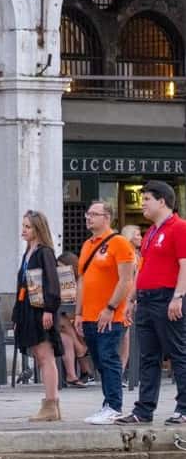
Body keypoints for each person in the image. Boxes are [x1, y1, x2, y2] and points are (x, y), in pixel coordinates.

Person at [117, 181, 186, 425]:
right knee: (148, 357)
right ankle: (144, 410)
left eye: (147, 199)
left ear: (162, 201)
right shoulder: (151, 232)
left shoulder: (179, 227)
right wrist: (132, 298)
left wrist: (178, 296)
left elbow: (185, 264)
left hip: (166, 297)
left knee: (178, 353)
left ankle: (184, 408)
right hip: (146, 299)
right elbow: (144, 268)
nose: (143, 204)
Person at [75, 201, 136, 424]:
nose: (88, 218)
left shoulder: (119, 243)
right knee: (100, 361)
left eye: (94, 214)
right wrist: (79, 312)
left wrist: (111, 307)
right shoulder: (87, 245)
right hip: (90, 314)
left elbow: (126, 280)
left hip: (110, 315)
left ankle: (113, 406)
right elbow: (82, 280)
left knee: (109, 358)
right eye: (88, 214)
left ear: (107, 217)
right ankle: (108, 403)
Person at [13, 210, 63, 422]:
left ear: (38, 229)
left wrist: (49, 309)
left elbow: (52, 282)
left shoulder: (44, 252)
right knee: (40, 355)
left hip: (40, 308)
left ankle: (50, 403)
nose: (24, 230)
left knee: (45, 355)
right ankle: (52, 404)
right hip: (27, 307)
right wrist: (17, 316)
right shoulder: (28, 252)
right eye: (23, 226)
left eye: (28, 227)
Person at [55, 251, 94, 388]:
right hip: (68, 321)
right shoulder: (59, 282)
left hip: (83, 319)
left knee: (64, 324)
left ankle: (82, 369)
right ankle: (79, 367)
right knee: (64, 330)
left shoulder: (83, 281)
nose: (60, 270)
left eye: (62, 267)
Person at [119, 224, 144, 373]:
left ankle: (123, 370)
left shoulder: (136, 254)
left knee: (128, 335)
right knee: (126, 336)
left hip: (132, 297)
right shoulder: (129, 254)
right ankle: (121, 370)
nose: (141, 238)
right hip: (128, 297)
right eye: (137, 235)